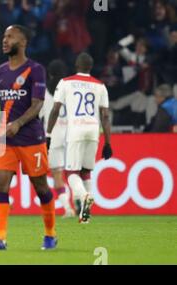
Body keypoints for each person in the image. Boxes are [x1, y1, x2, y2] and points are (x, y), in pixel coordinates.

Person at [0, 25, 57, 251]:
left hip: (31, 138)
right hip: (6, 139)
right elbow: (6, 106)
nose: (4, 40)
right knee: (0, 184)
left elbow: (38, 104)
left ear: (22, 42)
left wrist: (19, 123)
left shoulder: (35, 70)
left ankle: (50, 234)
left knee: (41, 187)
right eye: (3, 36)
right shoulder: (0, 72)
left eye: (10, 37)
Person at [47, 52, 112, 224]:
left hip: (75, 130)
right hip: (93, 130)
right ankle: (86, 214)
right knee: (85, 172)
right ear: (90, 67)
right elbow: (105, 116)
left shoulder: (66, 82)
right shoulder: (100, 85)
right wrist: (108, 142)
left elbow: (55, 110)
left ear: (76, 65)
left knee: (70, 173)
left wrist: (47, 134)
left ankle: (84, 197)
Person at [39, 59, 76, 218]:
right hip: (73, 135)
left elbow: (38, 115)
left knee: (57, 174)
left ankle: (68, 208)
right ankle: (83, 208)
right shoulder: (72, 89)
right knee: (75, 173)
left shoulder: (44, 92)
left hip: (53, 136)